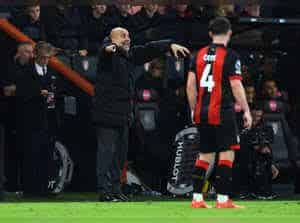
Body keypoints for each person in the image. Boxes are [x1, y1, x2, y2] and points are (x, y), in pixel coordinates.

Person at [92, 27, 189, 202]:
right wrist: (108, 46)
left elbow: (148, 49)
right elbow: (104, 52)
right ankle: (104, 190)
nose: (127, 38)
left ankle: (115, 189)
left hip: (123, 115)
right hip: (106, 115)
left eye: (128, 35)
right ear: (112, 39)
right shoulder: (108, 55)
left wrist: (169, 45)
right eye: (123, 36)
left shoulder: (129, 56)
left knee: (119, 157)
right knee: (106, 154)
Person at [186, 17, 252, 208]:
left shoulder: (198, 55)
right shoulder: (231, 56)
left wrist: (193, 108)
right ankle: (222, 200)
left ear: (210, 34)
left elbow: (190, 86)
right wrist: (246, 110)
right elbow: (236, 84)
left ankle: (197, 199)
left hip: (202, 112)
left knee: (205, 155)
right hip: (222, 111)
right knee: (227, 153)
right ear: (229, 33)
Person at [16, 41, 57, 196]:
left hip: (49, 119)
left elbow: (57, 91)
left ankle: (44, 188)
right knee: (30, 154)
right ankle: (29, 189)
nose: (45, 61)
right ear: (36, 56)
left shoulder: (52, 72)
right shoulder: (26, 71)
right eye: (43, 58)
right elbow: (21, 93)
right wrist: (37, 94)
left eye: (48, 58)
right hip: (30, 120)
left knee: (46, 154)